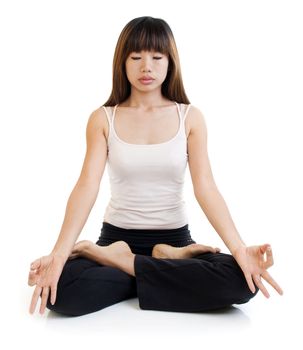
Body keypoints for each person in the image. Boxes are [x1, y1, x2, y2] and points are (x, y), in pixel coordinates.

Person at [28, 16, 283, 317]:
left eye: (156, 57)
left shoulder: (190, 117)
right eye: (135, 57)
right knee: (61, 291)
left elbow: (206, 187)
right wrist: (58, 255)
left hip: (175, 242)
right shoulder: (103, 118)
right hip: (115, 238)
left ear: (170, 62)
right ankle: (153, 268)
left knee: (243, 282)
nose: (146, 66)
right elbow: (87, 185)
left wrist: (240, 250)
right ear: (122, 63)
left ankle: (126, 264)